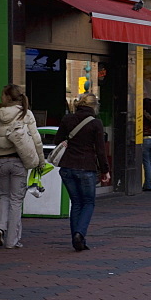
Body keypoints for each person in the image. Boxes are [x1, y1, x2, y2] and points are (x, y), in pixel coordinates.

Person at [0, 84, 46, 250]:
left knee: (4, 196)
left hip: (0, 161)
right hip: (18, 162)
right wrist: (41, 162)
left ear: (6, 97)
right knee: (16, 201)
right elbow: (36, 140)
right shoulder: (26, 113)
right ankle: (12, 241)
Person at [56, 93, 110, 251]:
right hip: (86, 167)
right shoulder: (96, 123)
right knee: (88, 202)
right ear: (94, 106)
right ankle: (80, 234)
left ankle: (76, 238)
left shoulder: (67, 119)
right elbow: (100, 150)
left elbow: (57, 140)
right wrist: (105, 170)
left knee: (76, 203)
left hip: (67, 167)